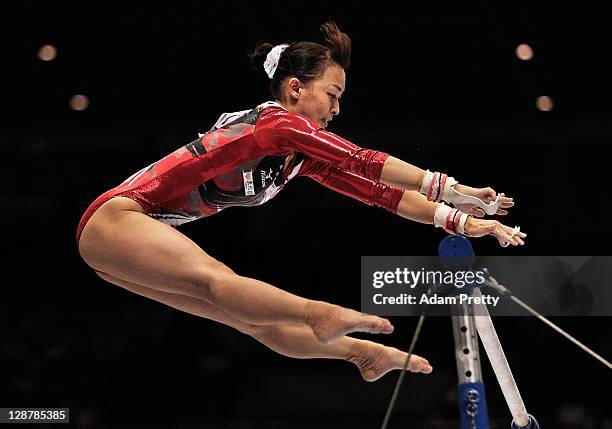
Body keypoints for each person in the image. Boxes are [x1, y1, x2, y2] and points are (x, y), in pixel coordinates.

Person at [76, 21, 525, 382]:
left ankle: (359, 355)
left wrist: (460, 219)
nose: (336, 109)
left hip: (120, 250)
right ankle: (318, 312)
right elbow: (362, 160)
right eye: (332, 94)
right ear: (295, 89)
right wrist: (450, 185)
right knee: (217, 279)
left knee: (249, 320)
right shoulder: (275, 125)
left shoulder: (297, 160)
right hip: (118, 218)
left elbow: (383, 194)